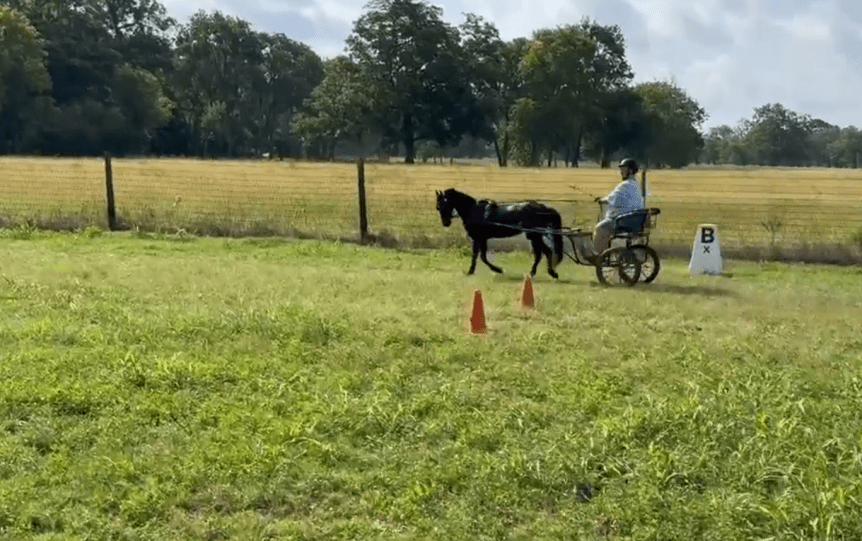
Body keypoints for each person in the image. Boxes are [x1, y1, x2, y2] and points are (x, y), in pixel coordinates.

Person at [587, 158, 645, 260]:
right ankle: (605, 254)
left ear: (630, 170)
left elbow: (614, 198)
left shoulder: (626, 185)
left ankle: (599, 256)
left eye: (623, 169)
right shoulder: (636, 185)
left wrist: (603, 200)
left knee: (600, 228)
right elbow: (618, 199)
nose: (621, 172)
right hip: (632, 219)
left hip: (623, 220)